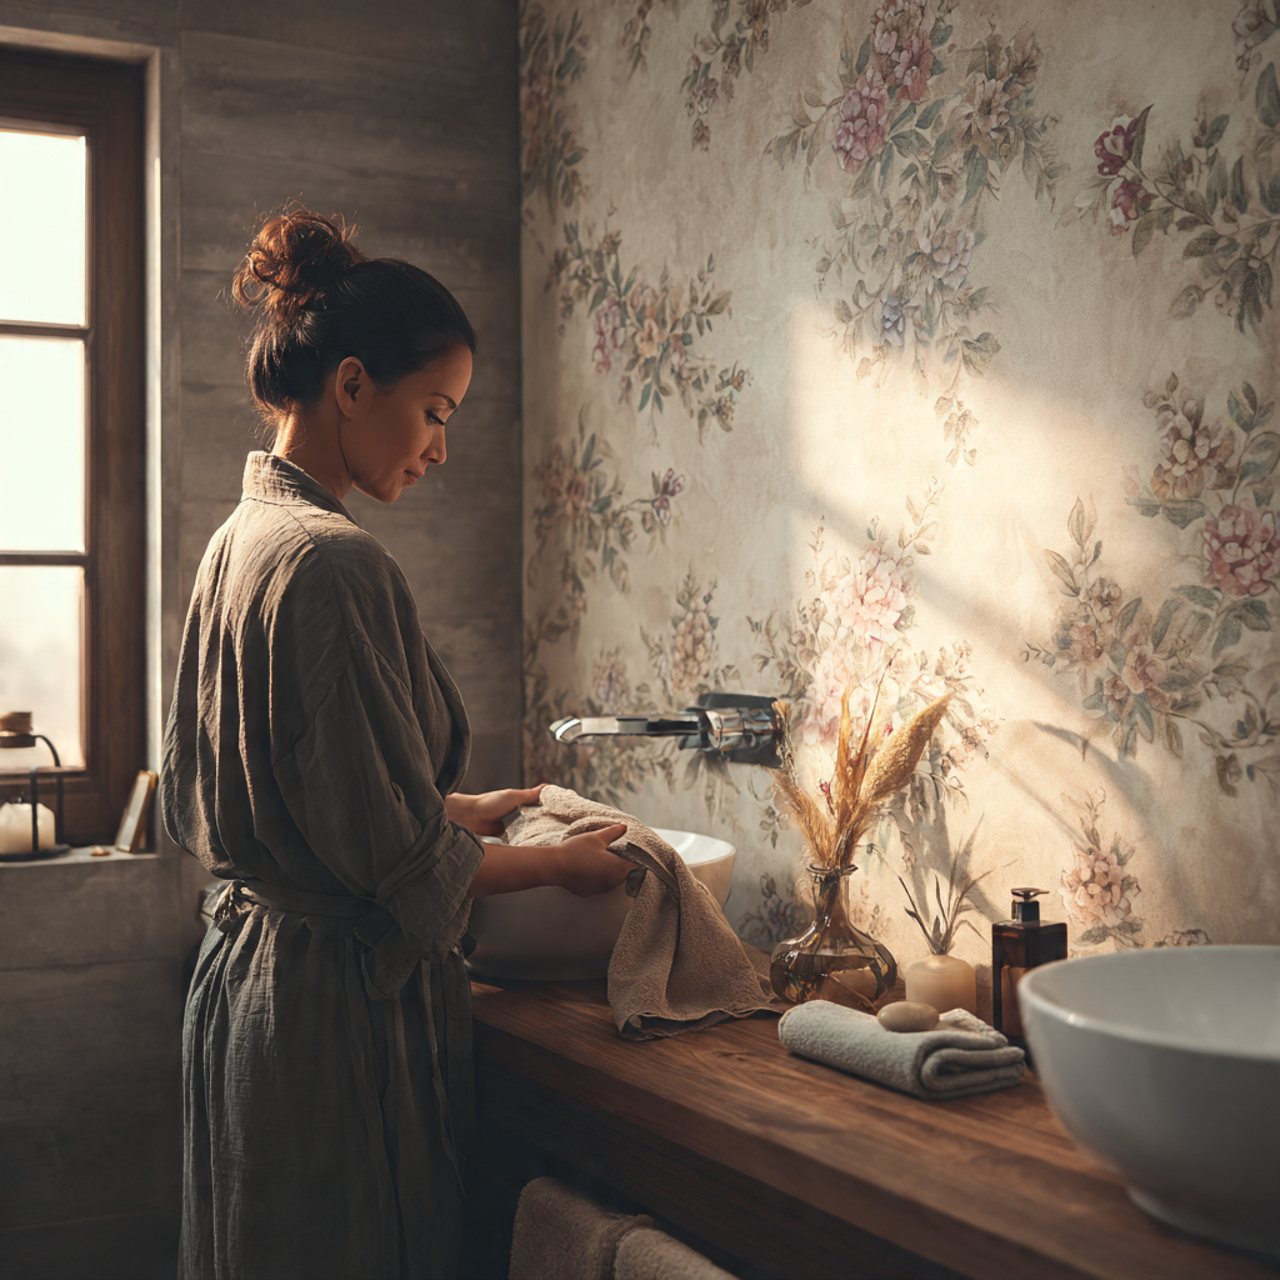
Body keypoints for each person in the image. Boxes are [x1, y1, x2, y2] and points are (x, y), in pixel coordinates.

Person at [160, 206, 630, 1280]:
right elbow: (399, 873)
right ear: (352, 383)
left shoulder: (241, 539)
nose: (439, 447)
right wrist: (567, 862)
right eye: (433, 409)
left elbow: (278, 786)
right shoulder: (332, 562)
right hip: (331, 1018)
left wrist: (456, 807)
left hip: (245, 992)